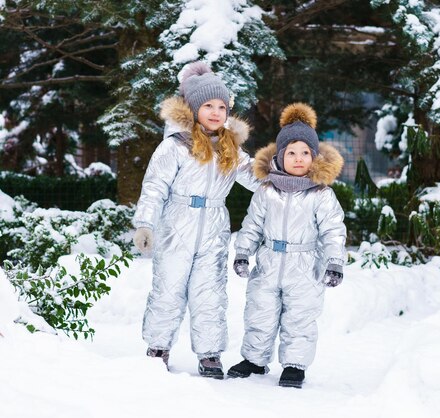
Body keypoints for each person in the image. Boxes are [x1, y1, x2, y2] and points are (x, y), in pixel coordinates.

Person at [131, 61, 259, 379]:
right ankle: (158, 347)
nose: (216, 112)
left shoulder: (232, 150)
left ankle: (210, 353)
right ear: (193, 108)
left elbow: (257, 176)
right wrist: (145, 223)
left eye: (222, 106)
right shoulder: (174, 147)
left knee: (210, 291)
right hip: (177, 222)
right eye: (208, 106)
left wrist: (291, 175)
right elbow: (154, 187)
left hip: (214, 225)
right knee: (168, 288)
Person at [227, 102, 347, 388]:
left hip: (305, 265)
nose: (298, 158)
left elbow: (333, 230)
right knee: (260, 311)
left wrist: (335, 261)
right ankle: (255, 359)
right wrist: (243, 252)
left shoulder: (321, 194)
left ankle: (294, 364)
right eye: (291, 152)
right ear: (279, 156)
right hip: (268, 262)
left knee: (300, 316)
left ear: (314, 157)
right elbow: (252, 224)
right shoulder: (267, 190)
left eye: (305, 153)